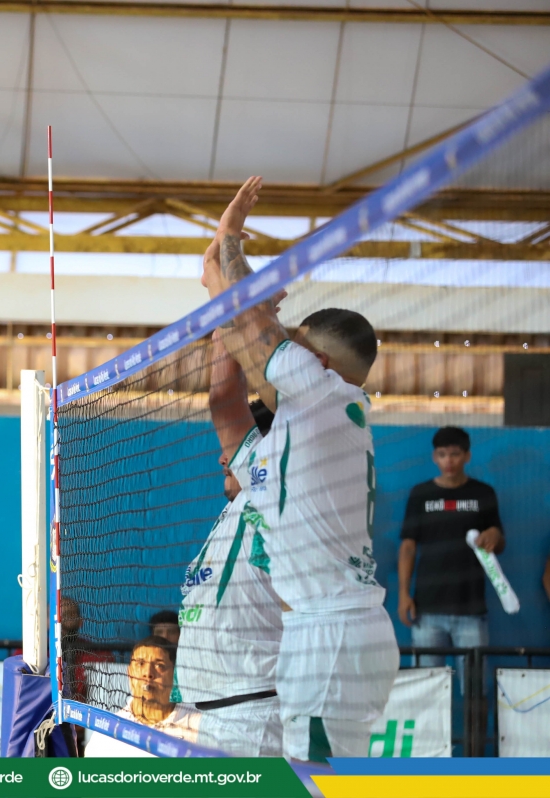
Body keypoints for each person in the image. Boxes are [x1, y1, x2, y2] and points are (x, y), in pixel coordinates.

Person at [201, 177, 398, 762]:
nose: (283, 343)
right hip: (328, 630)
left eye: (295, 341)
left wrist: (230, 240)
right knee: (313, 776)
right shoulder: (303, 431)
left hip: (330, 632)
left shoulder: (327, 395)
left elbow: (256, 334)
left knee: (315, 782)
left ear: (316, 360)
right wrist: (221, 293)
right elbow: (227, 396)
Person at [175, 331, 283, 757]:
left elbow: (223, 399)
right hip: (206, 713)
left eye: (235, 449)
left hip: (249, 716)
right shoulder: (233, 512)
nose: (223, 457)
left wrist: (228, 329)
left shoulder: (270, 492)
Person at [399, 427, 504, 678]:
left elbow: (499, 544)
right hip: (427, 608)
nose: (449, 461)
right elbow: (408, 546)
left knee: (474, 687)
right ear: (434, 457)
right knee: (426, 686)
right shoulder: (421, 494)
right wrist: (403, 594)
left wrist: (494, 536)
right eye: (442, 454)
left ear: (467, 456)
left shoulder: (483, 493)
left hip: (471, 609)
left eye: (455, 454)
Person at [84, 636, 200, 757]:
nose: (148, 673)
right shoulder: (106, 734)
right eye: (140, 664)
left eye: (159, 665)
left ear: (175, 675)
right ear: (129, 673)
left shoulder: (200, 727)